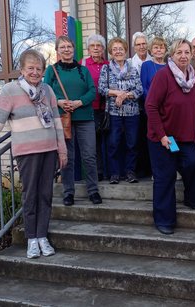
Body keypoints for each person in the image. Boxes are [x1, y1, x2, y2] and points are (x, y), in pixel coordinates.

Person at [0, 49, 67, 258]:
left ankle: (42, 237)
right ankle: (31, 238)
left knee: (45, 195)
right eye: (31, 68)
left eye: (39, 69)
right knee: (30, 195)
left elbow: (57, 123)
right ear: (22, 69)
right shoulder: (10, 91)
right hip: (27, 153)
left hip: (49, 150)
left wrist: (62, 151)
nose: (35, 72)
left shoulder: (47, 90)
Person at [146, 39, 195, 235]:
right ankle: (164, 219)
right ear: (172, 54)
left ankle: (192, 198)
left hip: (185, 136)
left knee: (193, 163)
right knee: (165, 175)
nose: (183, 56)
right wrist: (161, 135)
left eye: (187, 52)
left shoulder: (192, 78)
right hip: (163, 137)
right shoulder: (164, 76)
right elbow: (151, 106)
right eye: (179, 52)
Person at [44, 36, 102, 207]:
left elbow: (93, 91)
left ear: (74, 49)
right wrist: (59, 102)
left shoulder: (83, 70)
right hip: (63, 119)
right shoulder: (51, 70)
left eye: (69, 46)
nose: (67, 49)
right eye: (63, 47)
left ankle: (93, 190)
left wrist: (79, 102)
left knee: (89, 156)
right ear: (57, 50)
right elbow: (45, 91)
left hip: (85, 118)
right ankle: (68, 192)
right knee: (66, 158)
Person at [98, 37, 143, 184]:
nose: (118, 52)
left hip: (132, 113)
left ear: (125, 51)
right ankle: (115, 173)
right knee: (113, 143)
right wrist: (118, 94)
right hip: (114, 113)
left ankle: (130, 172)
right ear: (111, 52)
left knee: (132, 143)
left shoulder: (133, 68)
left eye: (121, 49)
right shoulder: (106, 69)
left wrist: (125, 95)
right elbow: (102, 89)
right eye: (115, 49)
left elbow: (139, 89)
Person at [80, 34, 110, 182]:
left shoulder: (108, 64)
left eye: (99, 46)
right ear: (88, 49)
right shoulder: (83, 64)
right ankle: (97, 172)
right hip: (89, 109)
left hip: (107, 109)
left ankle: (109, 171)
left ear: (103, 48)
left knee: (109, 141)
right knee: (94, 142)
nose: (96, 48)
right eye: (93, 46)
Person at [139, 37, 169, 178]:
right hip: (152, 110)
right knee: (155, 139)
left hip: (168, 110)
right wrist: (154, 102)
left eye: (161, 47)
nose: (159, 50)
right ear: (151, 50)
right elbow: (143, 87)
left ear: (166, 50)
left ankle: (173, 167)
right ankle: (155, 170)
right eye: (156, 47)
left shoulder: (170, 65)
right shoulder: (146, 65)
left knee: (170, 137)